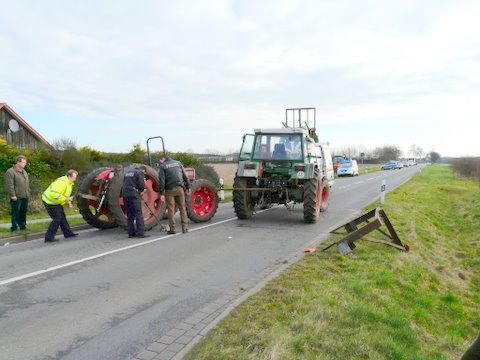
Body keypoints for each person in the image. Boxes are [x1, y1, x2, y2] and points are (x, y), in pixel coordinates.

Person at [41, 169, 79, 243]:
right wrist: (65, 199)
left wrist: (69, 203)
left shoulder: (69, 184)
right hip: (49, 202)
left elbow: (66, 195)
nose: (75, 179)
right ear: (69, 176)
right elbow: (53, 194)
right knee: (57, 219)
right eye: (74, 177)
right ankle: (49, 237)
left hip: (56, 202)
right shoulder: (61, 183)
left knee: (62, 217)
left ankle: (68, 233)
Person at [158, 156, 190, 234]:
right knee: (182, 208)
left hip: (169, 190)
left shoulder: (163, 166)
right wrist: (188, 187)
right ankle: (185, 228)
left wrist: (161, 193)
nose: (160, 162)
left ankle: (172, 229)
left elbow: (162, 180)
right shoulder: (178, 163)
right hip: (180, 189)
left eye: (160, 160)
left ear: (163, 159)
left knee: (171, 209)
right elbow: (185, 176)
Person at [5, 155, 30, 232]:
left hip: (25, 195)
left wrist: (28, 192)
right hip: (16, 196)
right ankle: (14, 228)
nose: (25, 164)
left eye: (25, 162)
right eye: (23, 162)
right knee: (15, 212)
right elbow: (10, 184)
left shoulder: (24, 171)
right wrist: (13, 195)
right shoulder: (10, 171)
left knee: (23, 211)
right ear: (18, 162)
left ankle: (22, 226)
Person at [123, 165, 149, 238]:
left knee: (129, 215)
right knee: (138, 214)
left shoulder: (127, 173)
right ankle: (140, 233)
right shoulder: (139, 173)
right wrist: (141, 190)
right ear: (143, 170)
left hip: (125, 195)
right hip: (133, 195)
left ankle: (131, 233)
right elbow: (141, 185)